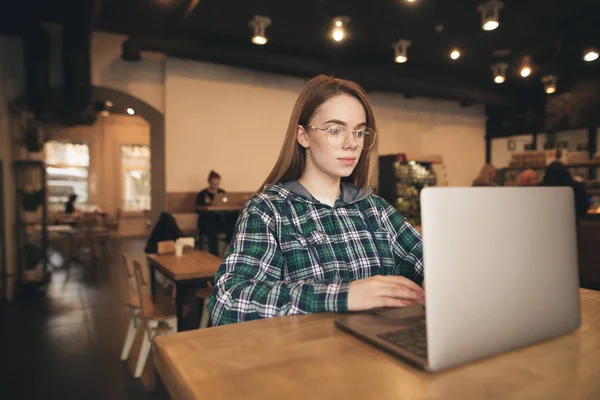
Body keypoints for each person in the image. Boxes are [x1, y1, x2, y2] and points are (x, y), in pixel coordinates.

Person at [209, 75, 425, 326]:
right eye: (335, 130)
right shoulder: (269, 210)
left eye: (359, 132)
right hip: (310, 361)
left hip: (382, 356)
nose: (352, 143)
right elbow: (228, 301)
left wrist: (437, 274)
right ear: (303, 136)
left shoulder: (375, 209)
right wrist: (343, 295)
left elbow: (431, 258)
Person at [196, 171, 234, 256]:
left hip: (219, 221)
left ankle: (230, 252)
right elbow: (198, 209)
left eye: (217, 184)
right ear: (209, 182)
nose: (215, 186)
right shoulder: (202, 194)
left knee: (233, 224)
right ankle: (215, 256)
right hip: (206, 222)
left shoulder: (222, 192)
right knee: (213, 234)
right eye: (213, 184)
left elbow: (227, 205)